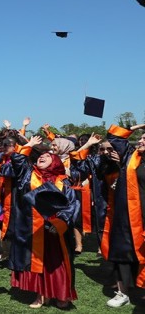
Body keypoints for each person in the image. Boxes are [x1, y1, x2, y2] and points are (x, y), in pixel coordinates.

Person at [73, 125, 145, 308]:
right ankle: (122, 291)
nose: (140, 140)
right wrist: (137, 126)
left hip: (139, 214)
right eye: (103, 149)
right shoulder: (122, 160)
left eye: (144, 138)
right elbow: (115, 137)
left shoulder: (133, 160)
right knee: (120, 251)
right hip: (120, 213)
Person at [6, 135, 79, 309]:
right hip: (32, 227)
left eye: (47, 156)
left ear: (56, 162)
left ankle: (61, 294)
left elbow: (72, 205)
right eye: (40, 156)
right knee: (37, 262)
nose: (42, 157)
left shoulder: (63, 182)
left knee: (56, 264)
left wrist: (59, 223)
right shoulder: (28, 175)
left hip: (54, 231)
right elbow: (17, 160)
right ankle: (40, 295)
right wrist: (29, 144)